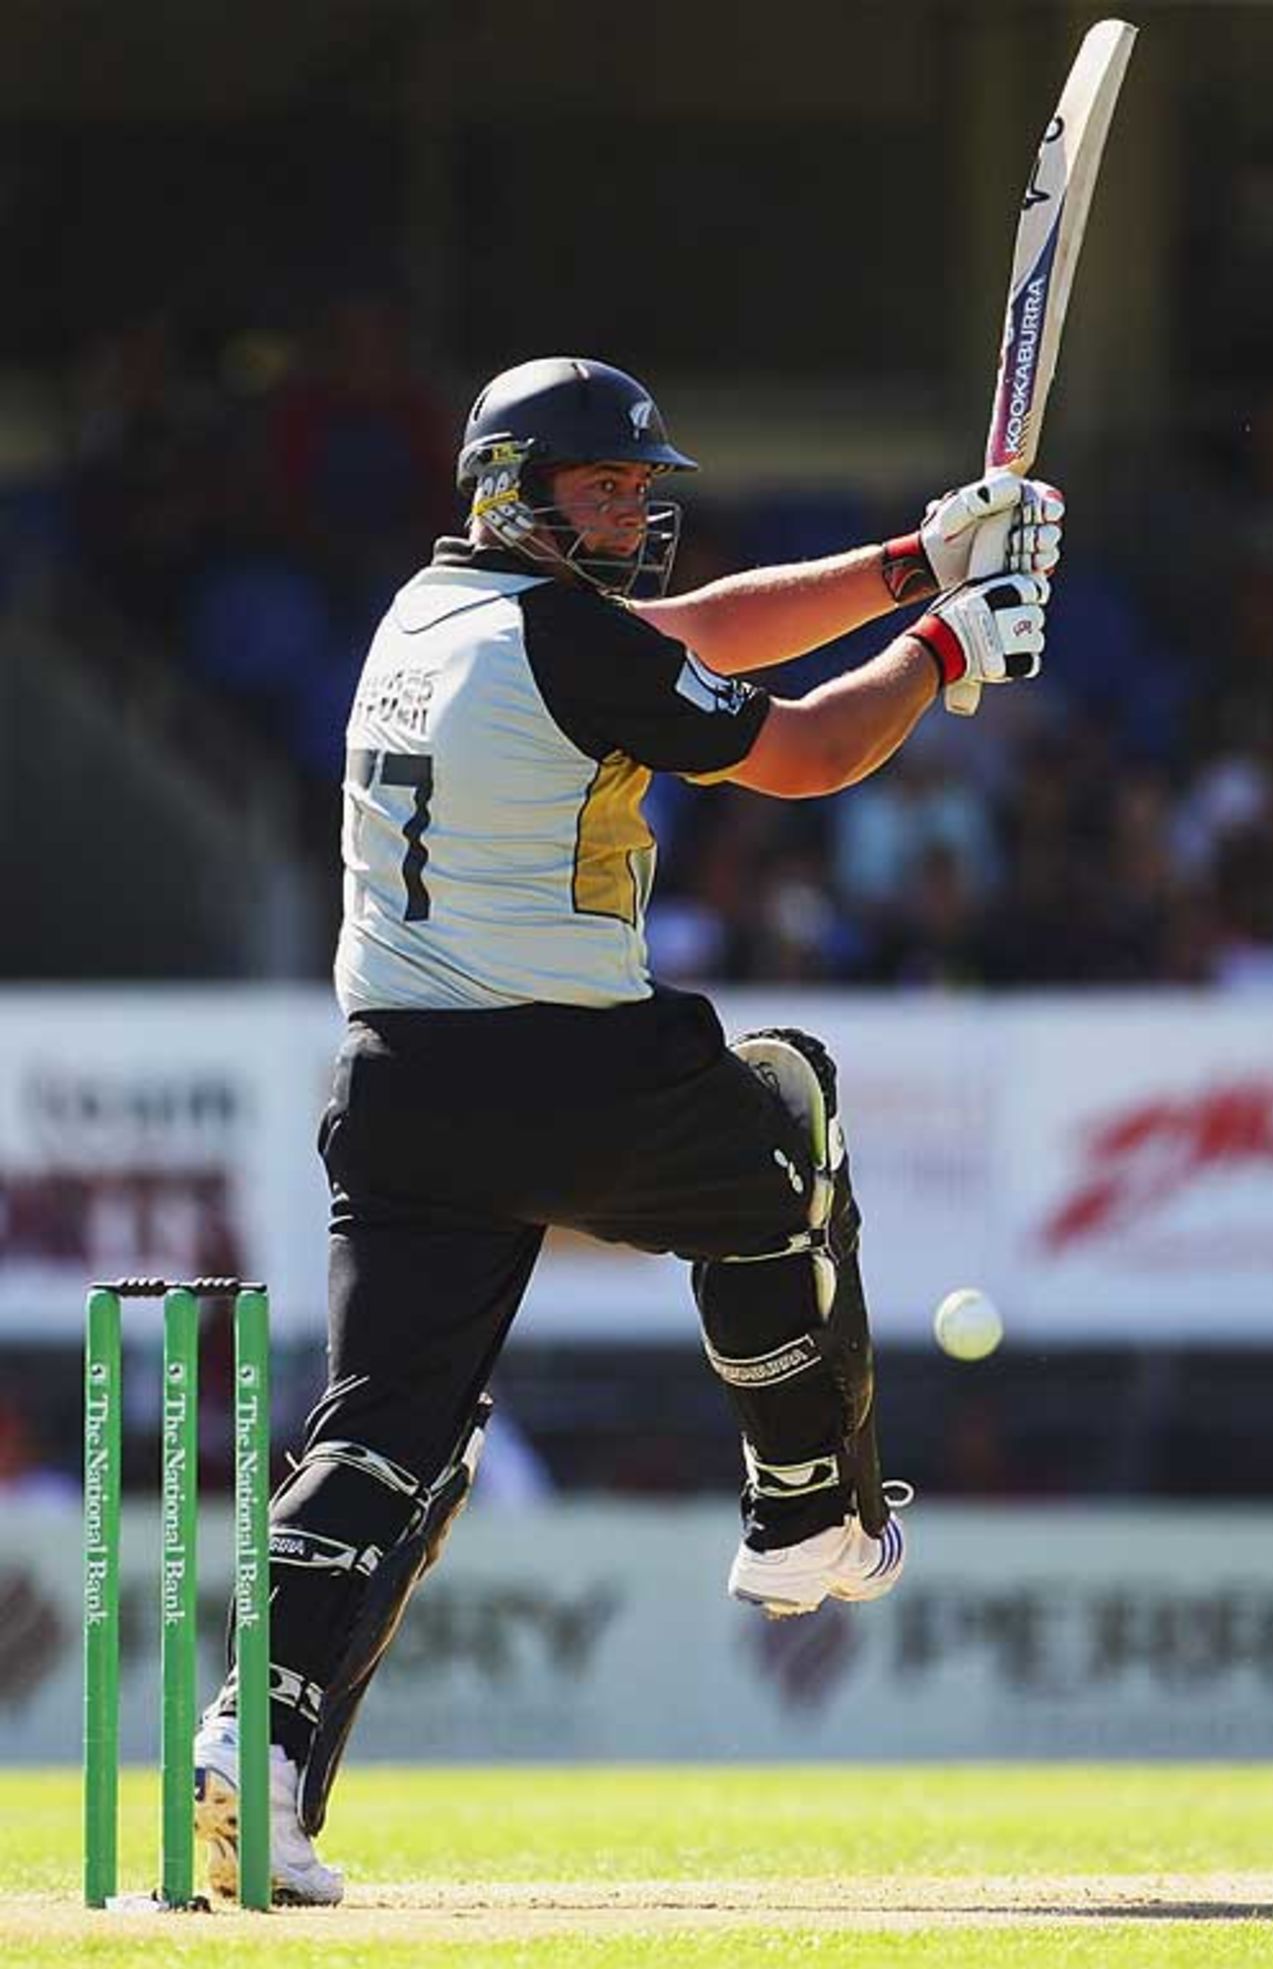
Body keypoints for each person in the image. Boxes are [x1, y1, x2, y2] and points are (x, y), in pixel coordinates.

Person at [192, 355, 1063, 1903]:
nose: (632, 515)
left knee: (388, 1437)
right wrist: (944, 649)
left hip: (396, 1081)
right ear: (509, 489)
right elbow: (800, 752)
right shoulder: (556, 641)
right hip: (569, 1066)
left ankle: (251, 1755)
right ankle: (806, 1514)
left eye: (639, 491)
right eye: (602, 490)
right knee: (785, 1114)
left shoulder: (427, 614)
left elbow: (692, 635)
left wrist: (909, 564)